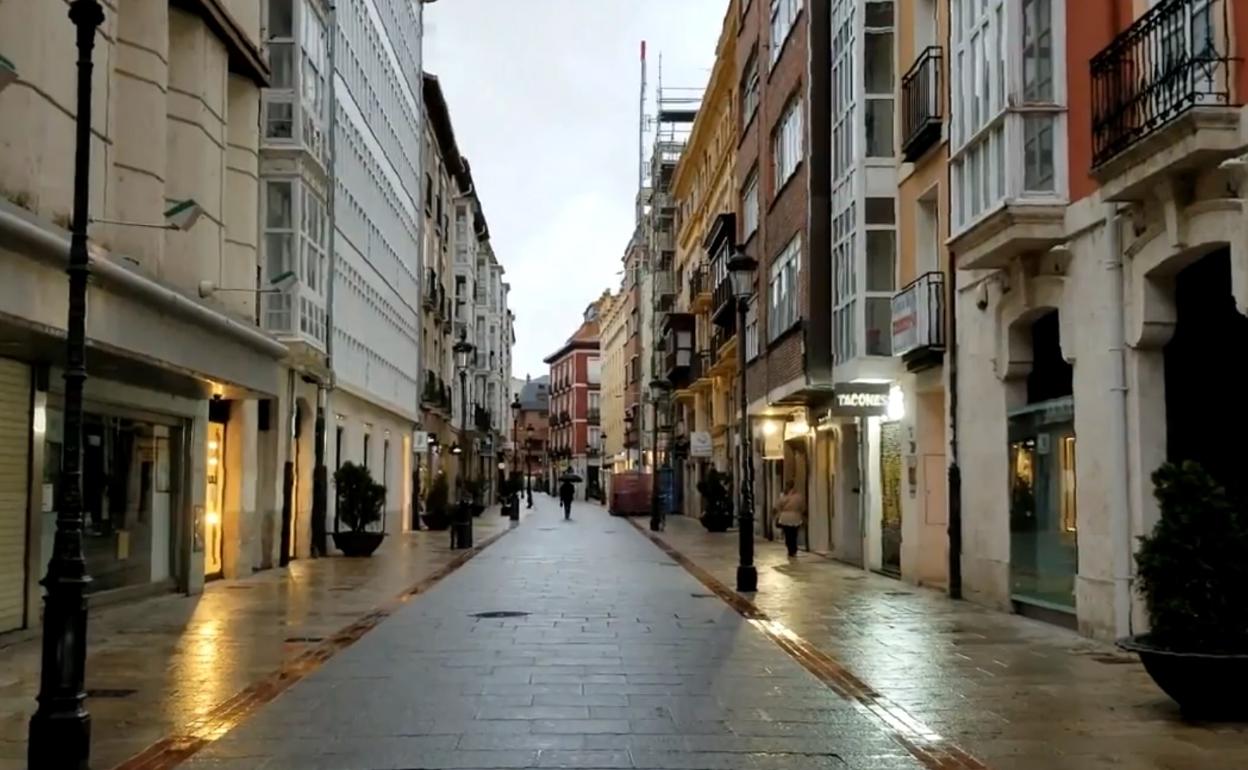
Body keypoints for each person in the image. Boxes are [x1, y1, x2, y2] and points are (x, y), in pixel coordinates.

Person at [774, 481, 805, 557]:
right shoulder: (799, 496)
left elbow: (777, 506)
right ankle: (793, 549)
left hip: (786, 518)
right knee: (794, 534)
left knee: (788, 534)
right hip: (796, 517)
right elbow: (802, 507)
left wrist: (776, 514)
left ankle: (790, 549)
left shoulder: (784, 497)